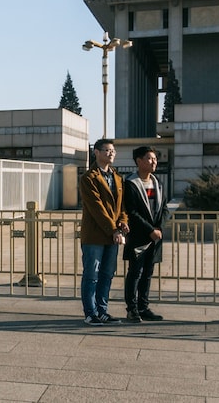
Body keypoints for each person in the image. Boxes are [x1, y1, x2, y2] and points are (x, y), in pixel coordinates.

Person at [78, 138, 128, 326]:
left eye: (113, 151)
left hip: (113, 234)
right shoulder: (88, 178)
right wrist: (114, 229)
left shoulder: (116, 177)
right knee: (92, 275)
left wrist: (123, 222)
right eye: (107, 150)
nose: (111, 153)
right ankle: (90, 313)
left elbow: (122, 206)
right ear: (96, 152)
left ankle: (102, 310)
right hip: (95, 235)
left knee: (107, 274)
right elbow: (96, 208)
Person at [123, 145, 169, 323]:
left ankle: (143, 307)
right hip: (139, 237)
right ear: (139, 161)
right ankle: (132, 309)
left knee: (148, 273)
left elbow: (164, 209)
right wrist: (150, 230)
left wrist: (159, 229)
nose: (154, 161)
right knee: (135, 272)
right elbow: (132, 212)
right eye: (150, 158)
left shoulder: (157, 183)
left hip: (155, 237)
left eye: (155, 159)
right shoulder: (131, 183)